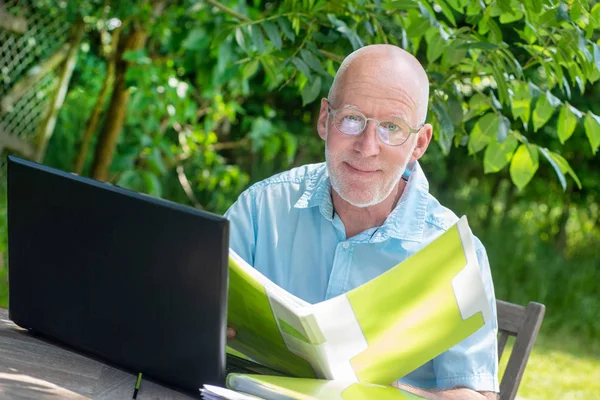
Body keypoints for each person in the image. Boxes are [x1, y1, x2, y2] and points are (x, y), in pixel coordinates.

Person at [224, 44, 498, 400]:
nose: (367, 146)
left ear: (419, 143)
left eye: (391, 127)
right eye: (351, 119)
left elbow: (476, 397)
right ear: (325, 119)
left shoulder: (455, 257)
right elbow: (191, 314)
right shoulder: (263, 208)